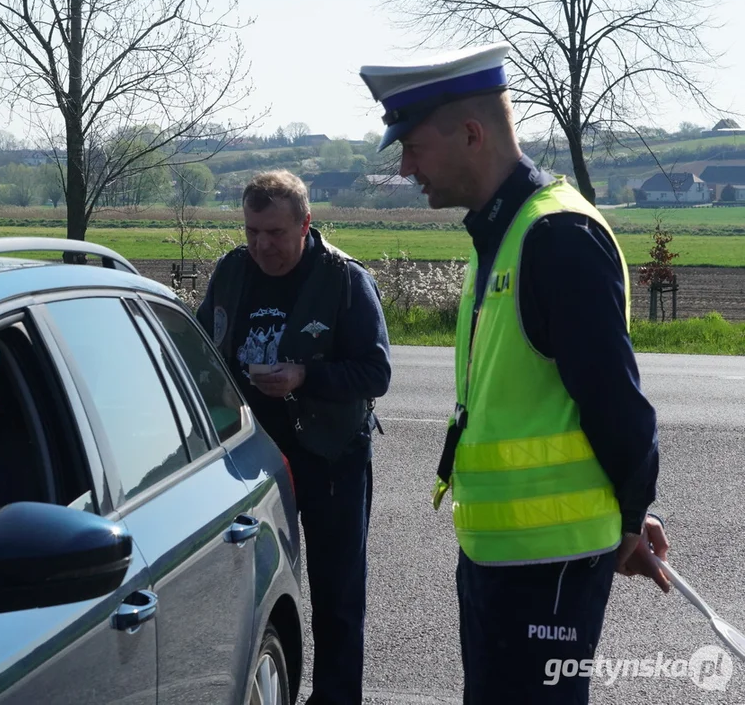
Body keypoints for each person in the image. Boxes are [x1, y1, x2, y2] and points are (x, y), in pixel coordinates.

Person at [358, 43, 671, 703]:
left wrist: (627, 513)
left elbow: (616, 404)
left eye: (412, 146)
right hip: (508, 561)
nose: (405, 165)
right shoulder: (503, 234)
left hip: (544, 568)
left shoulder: (553, 235)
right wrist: (622, 511)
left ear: (471, 134)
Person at [195, 170, 392, 705]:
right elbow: (200, 356)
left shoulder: (345, 279)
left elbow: (376, 373)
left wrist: (306, 378)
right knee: (246, 590)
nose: (262, 246)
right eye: (251, 231)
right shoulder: (231, 273)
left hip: (331, 458)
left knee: (337, 596)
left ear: (306, 224)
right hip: (249, 460)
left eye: (275, 233)